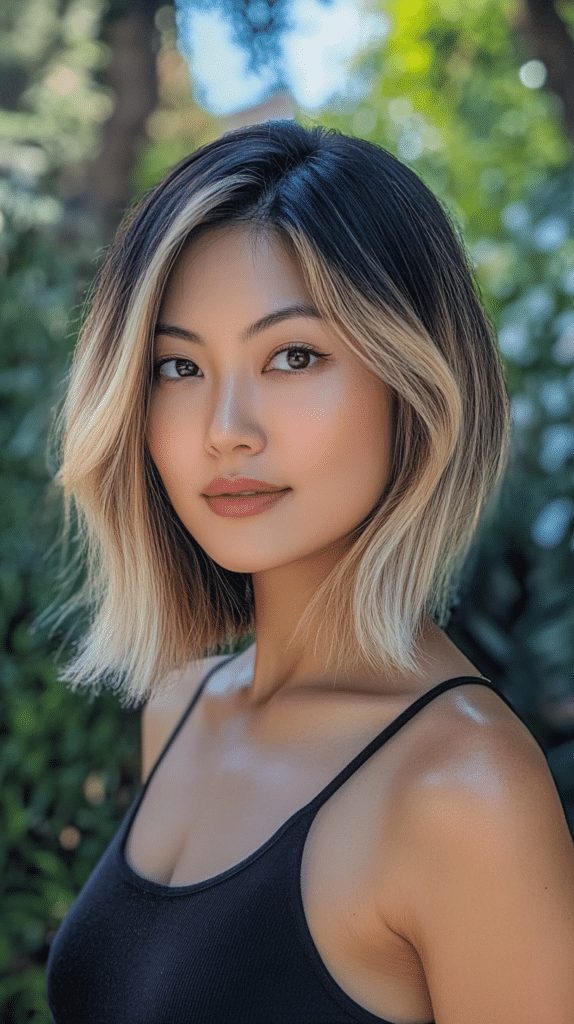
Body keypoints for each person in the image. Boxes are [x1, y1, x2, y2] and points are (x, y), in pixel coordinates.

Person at [45, 121, 574, 1024]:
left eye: (293, 356)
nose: (226, 428)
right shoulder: (178, 707)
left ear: (415, 379)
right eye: (178, 366)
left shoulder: (463, 794)